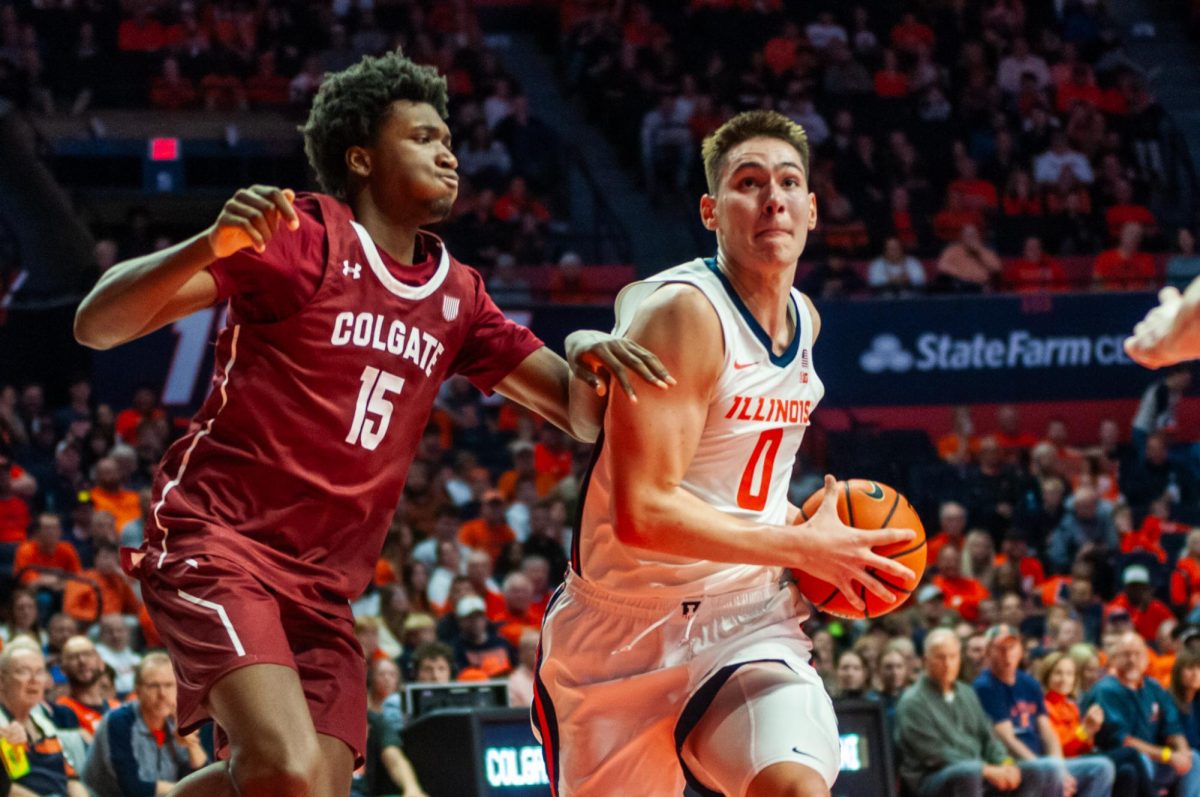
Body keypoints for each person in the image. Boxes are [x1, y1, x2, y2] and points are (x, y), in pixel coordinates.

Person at [71, 50, 669, 797]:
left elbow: (581, 415)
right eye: (421, 136)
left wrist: (583, 342)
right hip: (218, 539)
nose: (447, 150)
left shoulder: (459, 295)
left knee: (299, 786)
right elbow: (96, 324)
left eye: (448, 137)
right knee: (285, 769)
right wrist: (209, 243)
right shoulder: (303, 234)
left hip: (322, 587)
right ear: (361, 157)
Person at [535, 111, 917, 796]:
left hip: (745, 616)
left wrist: (803, 530)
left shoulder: (807, 317)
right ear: (711, 209)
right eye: (749, 182)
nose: (772, 196)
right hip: (619, 630)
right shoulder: (684, 312)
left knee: (795, 788)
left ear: (811, 208)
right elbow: (644, 513)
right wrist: (803, 549)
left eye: (789, 181)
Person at [895, 628, 1062, 797]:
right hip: (931, 779)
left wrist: (1005, 763)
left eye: (953, 656)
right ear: (925, 661)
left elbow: (988, 737)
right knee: (969, 772)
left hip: (978, 770)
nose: (947, 664)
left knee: (1039, 769)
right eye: (940, 657)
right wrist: (985, 769)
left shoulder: (967, 692)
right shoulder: (913, 701)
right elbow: (934, 754)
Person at [973, 624, 1115, 797]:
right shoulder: (985, 687)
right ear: (988, 652)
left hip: (1045, 762)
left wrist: (1061, 769)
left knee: (1102, 767)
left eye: (1012, 647)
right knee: (1050, 770)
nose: (1007, 654)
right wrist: (1048, 768)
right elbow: (1007, 739)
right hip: (1011, 764)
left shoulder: (1029, 683)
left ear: (1020, 650)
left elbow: (1048, 733)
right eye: (1000, 648)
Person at [1082, 630, 1200, 795]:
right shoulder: (1106, 690)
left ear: (1146, 658)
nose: (1132, 660)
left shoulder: (1153, 687)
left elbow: (1172, 726)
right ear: (1114, 659)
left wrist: (1182, 751)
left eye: (1137, 654)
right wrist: (1168, 755)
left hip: (1158, 760)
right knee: (1139, 760)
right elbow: (1124, 740)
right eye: (1126, 654)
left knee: (1193, 758)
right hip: (1125, 759)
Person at [83, 653, 208, 797]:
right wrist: (190, 790)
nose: (162, 694)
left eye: (169, 685)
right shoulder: (118, 721)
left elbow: (204, 778)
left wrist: (191, 744)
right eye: (153, 686)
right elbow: (132, 788)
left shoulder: (175, 721)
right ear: (138, 690)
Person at [0, 640, 88, 797]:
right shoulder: (3, 725)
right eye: (23, 671)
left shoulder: (44, 724)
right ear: (1, 680)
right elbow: (6, 788)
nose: (34, 680)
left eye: (40, 672)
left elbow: (71, 779)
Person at [55, 636, 120, 740]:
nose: (82, 661)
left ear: (101, 663)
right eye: (73, 657)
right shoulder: (61, 710)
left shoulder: (116, 708)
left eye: (88, 654)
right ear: (63, 669)